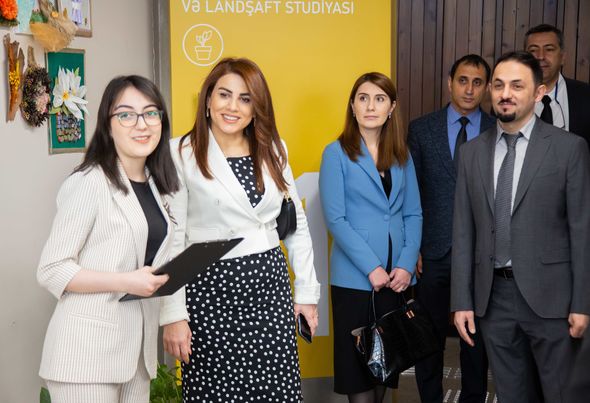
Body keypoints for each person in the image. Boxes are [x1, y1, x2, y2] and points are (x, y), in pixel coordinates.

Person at [160, 57, 321, 402]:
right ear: (208, 99)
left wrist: (307, 293)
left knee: (275, 392)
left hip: (269, 292)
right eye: (224, 95)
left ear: (256, 107)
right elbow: (172, 240)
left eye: (245, 98)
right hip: (209, 296)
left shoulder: (274, 149)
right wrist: (173, 314)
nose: (233, 107)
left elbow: (295, 225)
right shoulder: (180, 153)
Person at [451, 51, 590, 403]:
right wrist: (461, 301)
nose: (505, 94)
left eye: (516, 86)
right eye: (498, 85)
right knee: (511, 395)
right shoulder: (471, 154)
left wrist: (583, 303)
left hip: (554, 300)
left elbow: (582, 231)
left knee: (563, 395)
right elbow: (464, 232)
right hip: (494, 300)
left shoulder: (569, 149)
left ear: (539, 92)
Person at [37, 75, 179, 402]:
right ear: (108, 125)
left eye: (151, 113)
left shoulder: (156, 185)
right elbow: (51, 269)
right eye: (126, 115)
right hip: (86, 355)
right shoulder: (90, 181)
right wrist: (126, 281)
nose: (141, 124)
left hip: (136, 358)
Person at [319, 72, 422, 403]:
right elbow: (336, 220)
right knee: (358, 376)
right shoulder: (336, 153)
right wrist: (371, 267)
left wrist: (406, 264)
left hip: (395, 280)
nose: (370, 106)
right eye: (363, 98)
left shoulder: (401, 154)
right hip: (355, 281)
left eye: (379, 99)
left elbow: (413, 214)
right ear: (352, 106)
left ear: (391, 107)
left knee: (384, 369)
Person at [408, 54, 494, 403]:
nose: (469, 89)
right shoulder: (421, 129)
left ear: (486, 88)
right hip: (432, 251)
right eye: (462, 80)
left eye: (477, 82)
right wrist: (412, 246)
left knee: (475, 340)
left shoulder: (497, 129)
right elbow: (410, 193)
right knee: (429, 338)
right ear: (449, 83)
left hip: (481, 253)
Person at [525, 24, 590, 146]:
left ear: (562, 57)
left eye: (549, 49)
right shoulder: (509, 98)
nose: (540, 56)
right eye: (533, 50)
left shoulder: (586, 95)